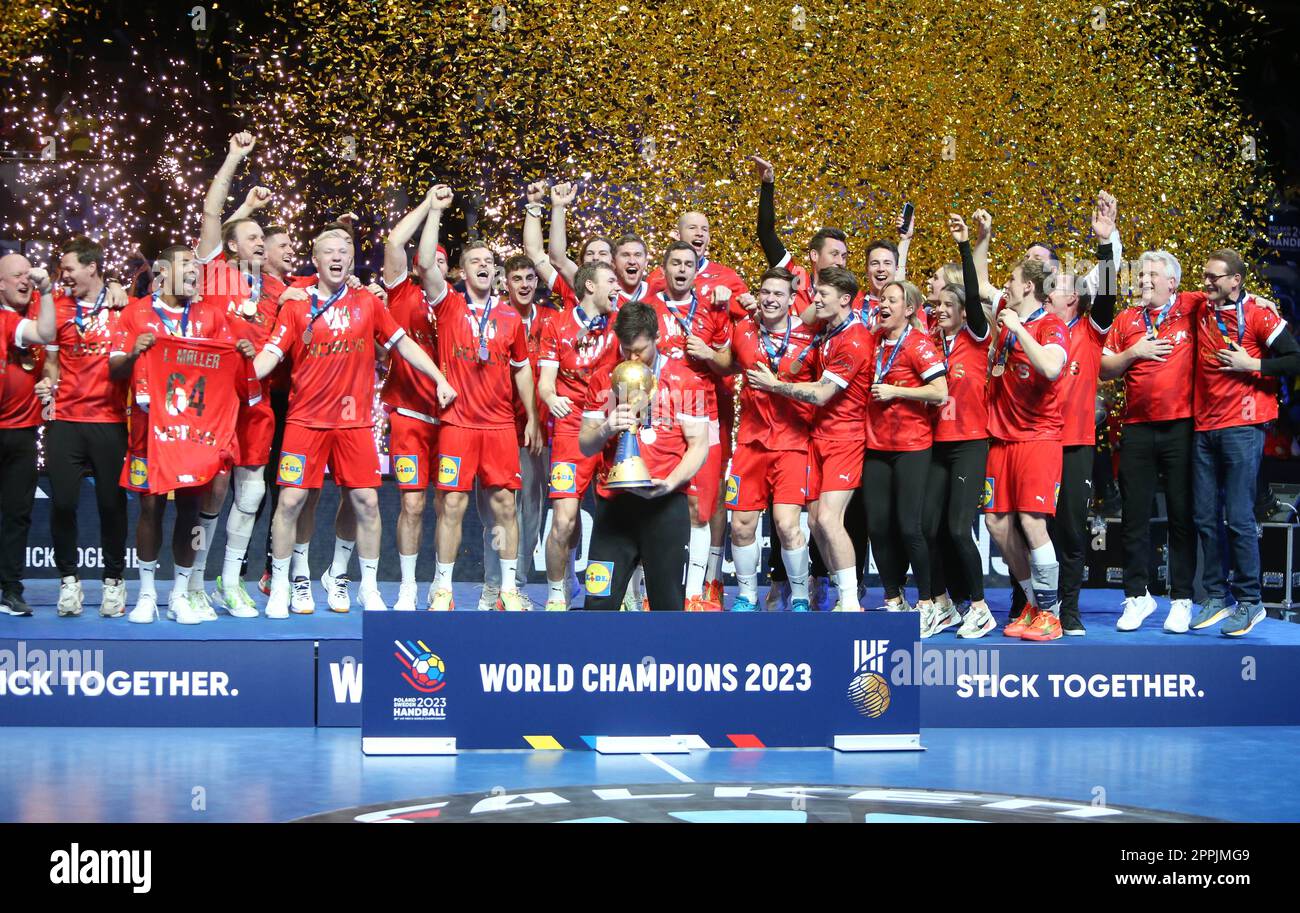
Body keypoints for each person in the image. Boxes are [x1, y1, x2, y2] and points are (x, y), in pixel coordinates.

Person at [251, 228, 455, 617]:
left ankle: (365, 587)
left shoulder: (367, 302)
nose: (337, 256)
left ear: (350, 259)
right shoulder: (296, 306)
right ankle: (285, 584)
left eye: (344, 251)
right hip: (305, 422)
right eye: (328, 251)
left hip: (355, 424)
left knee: (366, 502)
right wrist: (238, 383)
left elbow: (403, 344)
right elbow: (271, 356)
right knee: (292, 500)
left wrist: (439, 378)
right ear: (316, 260)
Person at [417, 185, 543, 612]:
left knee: (505, 504)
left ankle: (507, 589)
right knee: (451, 502)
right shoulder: (448, 304)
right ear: (462, 271)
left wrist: (529, 418)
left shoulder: (511, 316)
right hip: (458, 424)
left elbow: (523, 367)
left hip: (499, 426)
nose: (486, 266)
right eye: (477, 262)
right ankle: (442, 588)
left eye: (490, 262)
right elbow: (422, 264)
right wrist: (434, 211)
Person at [109, 245, 248, 624]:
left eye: (198, 268)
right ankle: (147, 594)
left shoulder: (211, 315)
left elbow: (227, 364)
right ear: (163, 271)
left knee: (190, 512)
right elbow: (115, 369)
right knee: (150, 507)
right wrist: (135, 353)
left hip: (195, 431)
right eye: (187, 266)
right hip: (149, 428)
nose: (195, 273)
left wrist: (244, 352)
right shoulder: (134, 315)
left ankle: (180, 594)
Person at [1189, 249, 1300, 637]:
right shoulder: (1198, 307)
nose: (1206, 282)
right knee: (1204, 515)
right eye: (1204, 275)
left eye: (1214, 277)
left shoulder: (1257, 313)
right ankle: (1217, 597)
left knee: (1237, 516)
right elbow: (1161, 296)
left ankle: (1250, 603)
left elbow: (1293, 358)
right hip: (1204, 426)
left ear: (1235, 280)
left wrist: (1252, 365)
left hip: (1245, 424)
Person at [752, 267, 873, 612]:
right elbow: (795, 319)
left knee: (830, 520)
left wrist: (774, 385)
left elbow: (822, 394)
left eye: (822, 295)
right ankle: (840, 588)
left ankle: (850, 601)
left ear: (845, 300)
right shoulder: (828, 330)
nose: (815, 300)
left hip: (845, 439)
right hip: (818, 437)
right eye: (815, 292)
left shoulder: (854, 339)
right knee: (818, 521)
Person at [577, 301, 710, 610]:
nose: (633, 358)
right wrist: (607, 428)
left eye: (640, 350)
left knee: (667, 607)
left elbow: (699, 445)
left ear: (657, 338)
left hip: (665, 506)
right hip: (615, 508)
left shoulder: (686, 382)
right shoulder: (603, 380)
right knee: (598, 604)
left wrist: (671, 483)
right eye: (626, 351)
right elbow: (586, 445)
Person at [648, 210, 750, 609]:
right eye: (676, 262)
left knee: (705, 498)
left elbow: (733, 360)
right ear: (667, 264)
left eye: (689, 265)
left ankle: (704, 586)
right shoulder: (650, 298)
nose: (683, 268)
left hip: (706, 411)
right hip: (658, 413)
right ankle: (649, 589)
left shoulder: (718, 299)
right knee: (653, 494)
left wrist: (709, 353)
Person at [1099, 251, 1199, 632]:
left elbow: (1226, 297)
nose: (1143, 279)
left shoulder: (1192, 307)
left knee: (1180, 515)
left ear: (1172, 282)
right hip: (1138, 427)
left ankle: (1182, 599)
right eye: (1141, 274)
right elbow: (1104, 368)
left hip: (1181, 427)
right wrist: (1134, 352)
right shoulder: (1126, 319)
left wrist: (1256, 300)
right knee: (1134, 516)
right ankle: (1137, 597)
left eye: (1153, 274)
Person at [40, 236, 131, 618]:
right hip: (65, 421)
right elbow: (51, 362)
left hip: (109, 422)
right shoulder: (57, 309)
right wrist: (48, 385)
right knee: (62, 503)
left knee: (112, 505)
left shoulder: (121, 306)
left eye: (70, 269)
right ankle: (69, 582)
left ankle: (113, 581)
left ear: (93, 267)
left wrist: (119, 287)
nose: (64, 276)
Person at [1040, 193, 1119, 636]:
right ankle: (1028, 603)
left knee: (1070, 528)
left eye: (1062, 282)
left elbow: (1107, 290)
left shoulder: (1090, 331)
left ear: (1076, 298)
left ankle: (1068, 609)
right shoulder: (1033, 327)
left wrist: (1105, 243)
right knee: (1033, 528)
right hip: (1034, 441)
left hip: (1074, 442)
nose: (1054, 286)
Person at [984, 259, 1070, 641]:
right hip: (1002, 438)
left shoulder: (1050, 325)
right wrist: (976, 239)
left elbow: (1052, 369)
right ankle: (1035, 604)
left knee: (1032, 523)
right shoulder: (1006, 320)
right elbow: (981, 285)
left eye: (1012, 281)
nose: (1006, 287)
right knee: (996, 523)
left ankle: (1052, 615)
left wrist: (1020, 330)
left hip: (1039, 437)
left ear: (1029, 288)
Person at [731, 267, 818, 612]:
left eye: (778, 294)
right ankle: (746, 596)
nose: (770, 299)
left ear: (791, 300)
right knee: (741, 526)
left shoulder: (810, 336)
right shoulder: (743, 330)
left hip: (792, 443)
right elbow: (726, 363)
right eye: (765, 292)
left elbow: (823, 389)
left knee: (786, 524)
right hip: (750, 443)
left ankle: (798, 597)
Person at [536, 261, 620, 611]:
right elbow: (544, 381)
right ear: (589, 287)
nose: (617, 287)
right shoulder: (557, 324)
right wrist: (551, 397)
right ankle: (559, 589)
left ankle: (619, 593)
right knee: (565, 518)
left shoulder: (621, 321)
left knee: (614, 518)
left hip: (614, 425)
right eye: (611, 281)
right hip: (572, 428)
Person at [924, 215, 993, 637]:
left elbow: (970, 289)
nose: (942, 310)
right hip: (936, 444)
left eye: (950, 305)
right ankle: (943, 604)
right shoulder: (931, 342)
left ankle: (980, 606)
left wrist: (966, 245)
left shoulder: (977, 335)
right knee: (926, 527)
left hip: (969, 442)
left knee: (956, 526)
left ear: (963, 310)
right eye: (938, 305)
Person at [476, 252, 556, 610]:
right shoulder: (492, 318)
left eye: (529, 279)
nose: (524, 285)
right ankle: (494, 586)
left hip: (535, 430)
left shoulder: (551, 321)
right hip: (495, 426)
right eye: (517, 279)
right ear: (504, 283)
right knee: (495, 511)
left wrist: (538, 422)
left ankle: (516, 584)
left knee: (530, 511)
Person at [863, 280, 947, 616]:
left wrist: (899, 392)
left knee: (909, 526)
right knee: (878, 525)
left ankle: (927, 604)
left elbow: (940, 392)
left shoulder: (919, 345)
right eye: (882, 298)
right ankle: (893, 599)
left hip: (912, 445)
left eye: (892, 300)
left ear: (909, 309)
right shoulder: (874, 342)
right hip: (876, 445)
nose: (884, 303)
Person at [380, 194, 445, 611]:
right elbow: (393, 242)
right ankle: (407, 585)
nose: (431, 265)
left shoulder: (456, 303)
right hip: (407, 415)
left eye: (439, 260)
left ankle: (442, 584)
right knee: (412, 502)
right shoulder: (401, 291)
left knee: (448, 505)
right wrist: (428, 206)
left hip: (450, 419)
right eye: (426, 259)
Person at [0, 255, 57, 616]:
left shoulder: (39, 303)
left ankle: (9, 589)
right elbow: (45, 333)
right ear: (0, 284)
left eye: (29, 273)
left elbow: (54, 344)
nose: (26, 279)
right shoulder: (7, 319)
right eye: (17, 275)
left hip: (22, 433)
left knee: (17, 514)